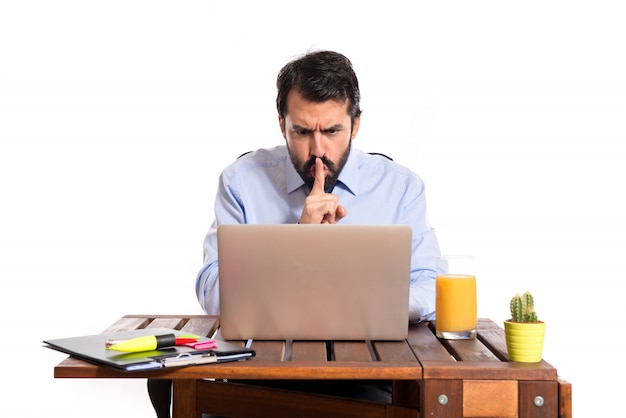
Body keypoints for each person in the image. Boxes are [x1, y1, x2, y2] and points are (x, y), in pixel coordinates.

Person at [149, 49, 441, 417]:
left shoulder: (400, 188)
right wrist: (300, 241)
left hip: (367, 373)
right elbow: (213, 290)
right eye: (301, 132)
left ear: (356, 124)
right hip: (256, 370)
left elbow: (430, 283)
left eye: (332, 130)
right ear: (281, 124)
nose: (318, 151)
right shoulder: (241, 182)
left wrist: (361, 307)